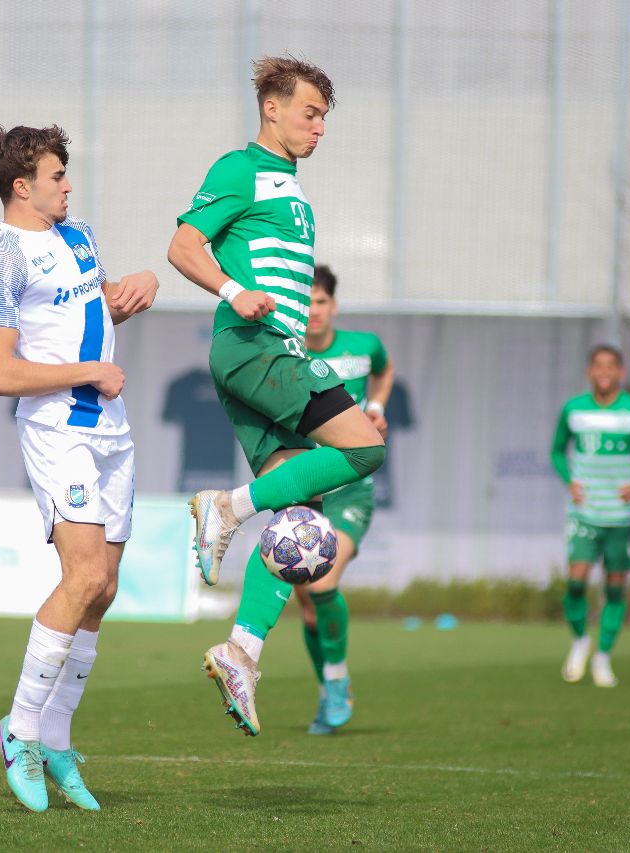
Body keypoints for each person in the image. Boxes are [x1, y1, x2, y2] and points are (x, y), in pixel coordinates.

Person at [167, 55, 385, 736]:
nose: (319, 128)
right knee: (366, 448)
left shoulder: (290, 186)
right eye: (309, 113)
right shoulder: (241, 168)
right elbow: (183, 246)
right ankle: (226, 507)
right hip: (257, 348)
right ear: (272, 108)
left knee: (299, 521)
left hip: (263, 353)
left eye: (323, 117)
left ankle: (241, 653)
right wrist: (235, 291)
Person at [0, 124, 158, 811]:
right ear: (22, 186)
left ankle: (55, 737)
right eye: (57, 176)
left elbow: (92, 313)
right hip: (58, 429)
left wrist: (135, 289)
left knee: (103, 588)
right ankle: (18, 734)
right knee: (80, 576)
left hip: (111, 426)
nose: (69, 185)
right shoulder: (2, 260)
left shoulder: (78, 235)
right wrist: (88, 372)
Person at [292, 265, 393, 734]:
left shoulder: (363, 346)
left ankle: (336, 679)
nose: (313, 311)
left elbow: (384, 369)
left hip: (352, 489)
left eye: (321, 302)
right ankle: (327, 689)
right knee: (308, 608)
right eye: (306, 302)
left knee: (322, 585)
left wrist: (376, 408)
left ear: (333, 305)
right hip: (303, 491)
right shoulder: (285, 354)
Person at [550, 344, 630, 688]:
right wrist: (569, 479)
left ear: (621, 372)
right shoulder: (574, 410)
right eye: (598, 366)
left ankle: (603, 656)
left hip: (621, 517)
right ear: (589, 371)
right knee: (576, 581)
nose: (604, 372)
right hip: (585, 512)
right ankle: (580, 641)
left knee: (615, 589)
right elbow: (556, 450)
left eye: (610, 366)